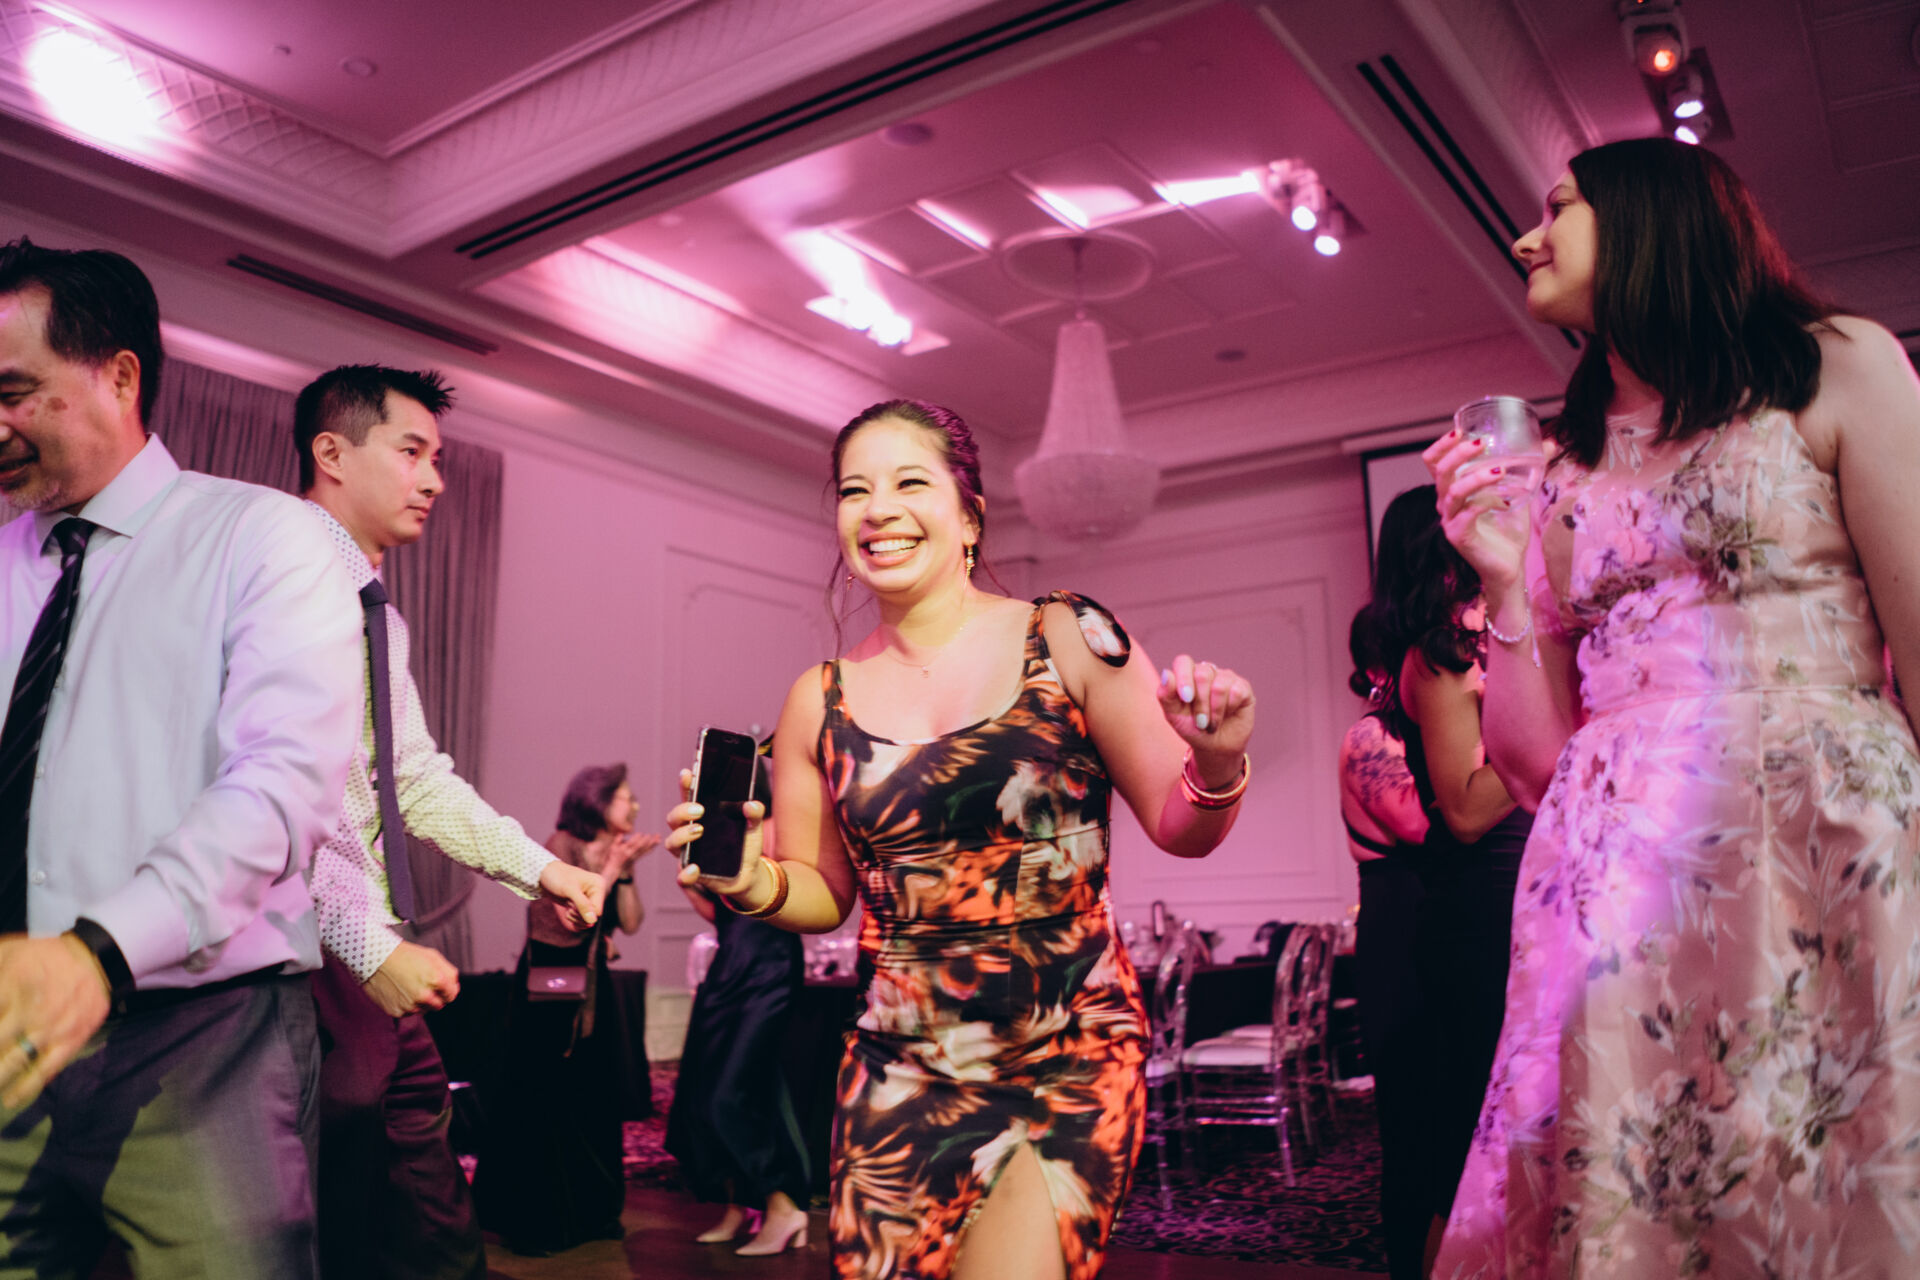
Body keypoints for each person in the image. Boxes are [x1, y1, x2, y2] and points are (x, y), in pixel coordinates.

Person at [1425, 137, 1920, 1276]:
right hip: (1615, 882)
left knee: (1824, 1173)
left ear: (1653, 215)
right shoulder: (1562, 468)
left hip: (1818, 843)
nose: (1526, 237)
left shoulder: (1833, 366)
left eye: (1558, 207)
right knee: (1642, 1196)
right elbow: (1535, 762)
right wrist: (1503, 581)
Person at [666, 398, 1257, 1280]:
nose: (878, 510)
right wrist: (753, 884)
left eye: (909, 483)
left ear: (970, 515)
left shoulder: (1065, 636)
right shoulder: (817, 698)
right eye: (854, 490)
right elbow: (823, 894)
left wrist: (1216, 757)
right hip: (897, 1061)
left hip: (1065, 1049)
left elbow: (1184, 828)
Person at [0, 237, 363, 1275]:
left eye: (13, 392)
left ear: (119, 376)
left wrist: (96, 951)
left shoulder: (266, 538)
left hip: (201, 1037)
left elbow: (282, 790)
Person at [295, 363, 607, 1280]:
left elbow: (415, 781)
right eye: (412, 452)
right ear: (332, 453)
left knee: (424, 1201)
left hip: (358, 943)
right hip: (296, 949)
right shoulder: (283, 575)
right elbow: (271, 793)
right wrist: (365, 945)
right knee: (333, 1214)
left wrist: (542, 869)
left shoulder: (375, 614)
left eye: (439, 458)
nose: (434, 479)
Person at [1363, 486, 1531, 1277]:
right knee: (1464, 1143)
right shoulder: (1435, 658)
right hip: (1479, 914)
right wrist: (1552, 738)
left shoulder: (1490, 645)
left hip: (1520, 897)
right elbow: (1463, 811)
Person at [479, 762, 656, 1256]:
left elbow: (631, 922)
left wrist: (624, 872)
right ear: (597, 800)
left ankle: (595, 1214)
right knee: (544, 1099)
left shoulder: (615, 851)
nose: (635, 805)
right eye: (626, 797)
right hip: (550, 995)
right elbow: (565, 925)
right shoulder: (561, 846)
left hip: (594, 995)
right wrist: (612, 868)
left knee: (594, 1099)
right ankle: (537, 1223)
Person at [667, 748, 812, 1257]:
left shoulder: (771, 829)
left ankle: (783, 1206)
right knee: (704, 1091)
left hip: (769, 968)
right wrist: (689, 875)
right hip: (729, 965)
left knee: (733, 1093)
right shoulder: (717, 831)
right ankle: (738, 1204)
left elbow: (777, 899)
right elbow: (720, 914)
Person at [1338, 614, 1429, 1280]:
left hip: (1437, 922)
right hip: (1399, 931)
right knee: (1411, 1125)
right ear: (1378, 669)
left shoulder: (1422, 734)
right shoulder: (1369, 737)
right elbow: (1419, 824)